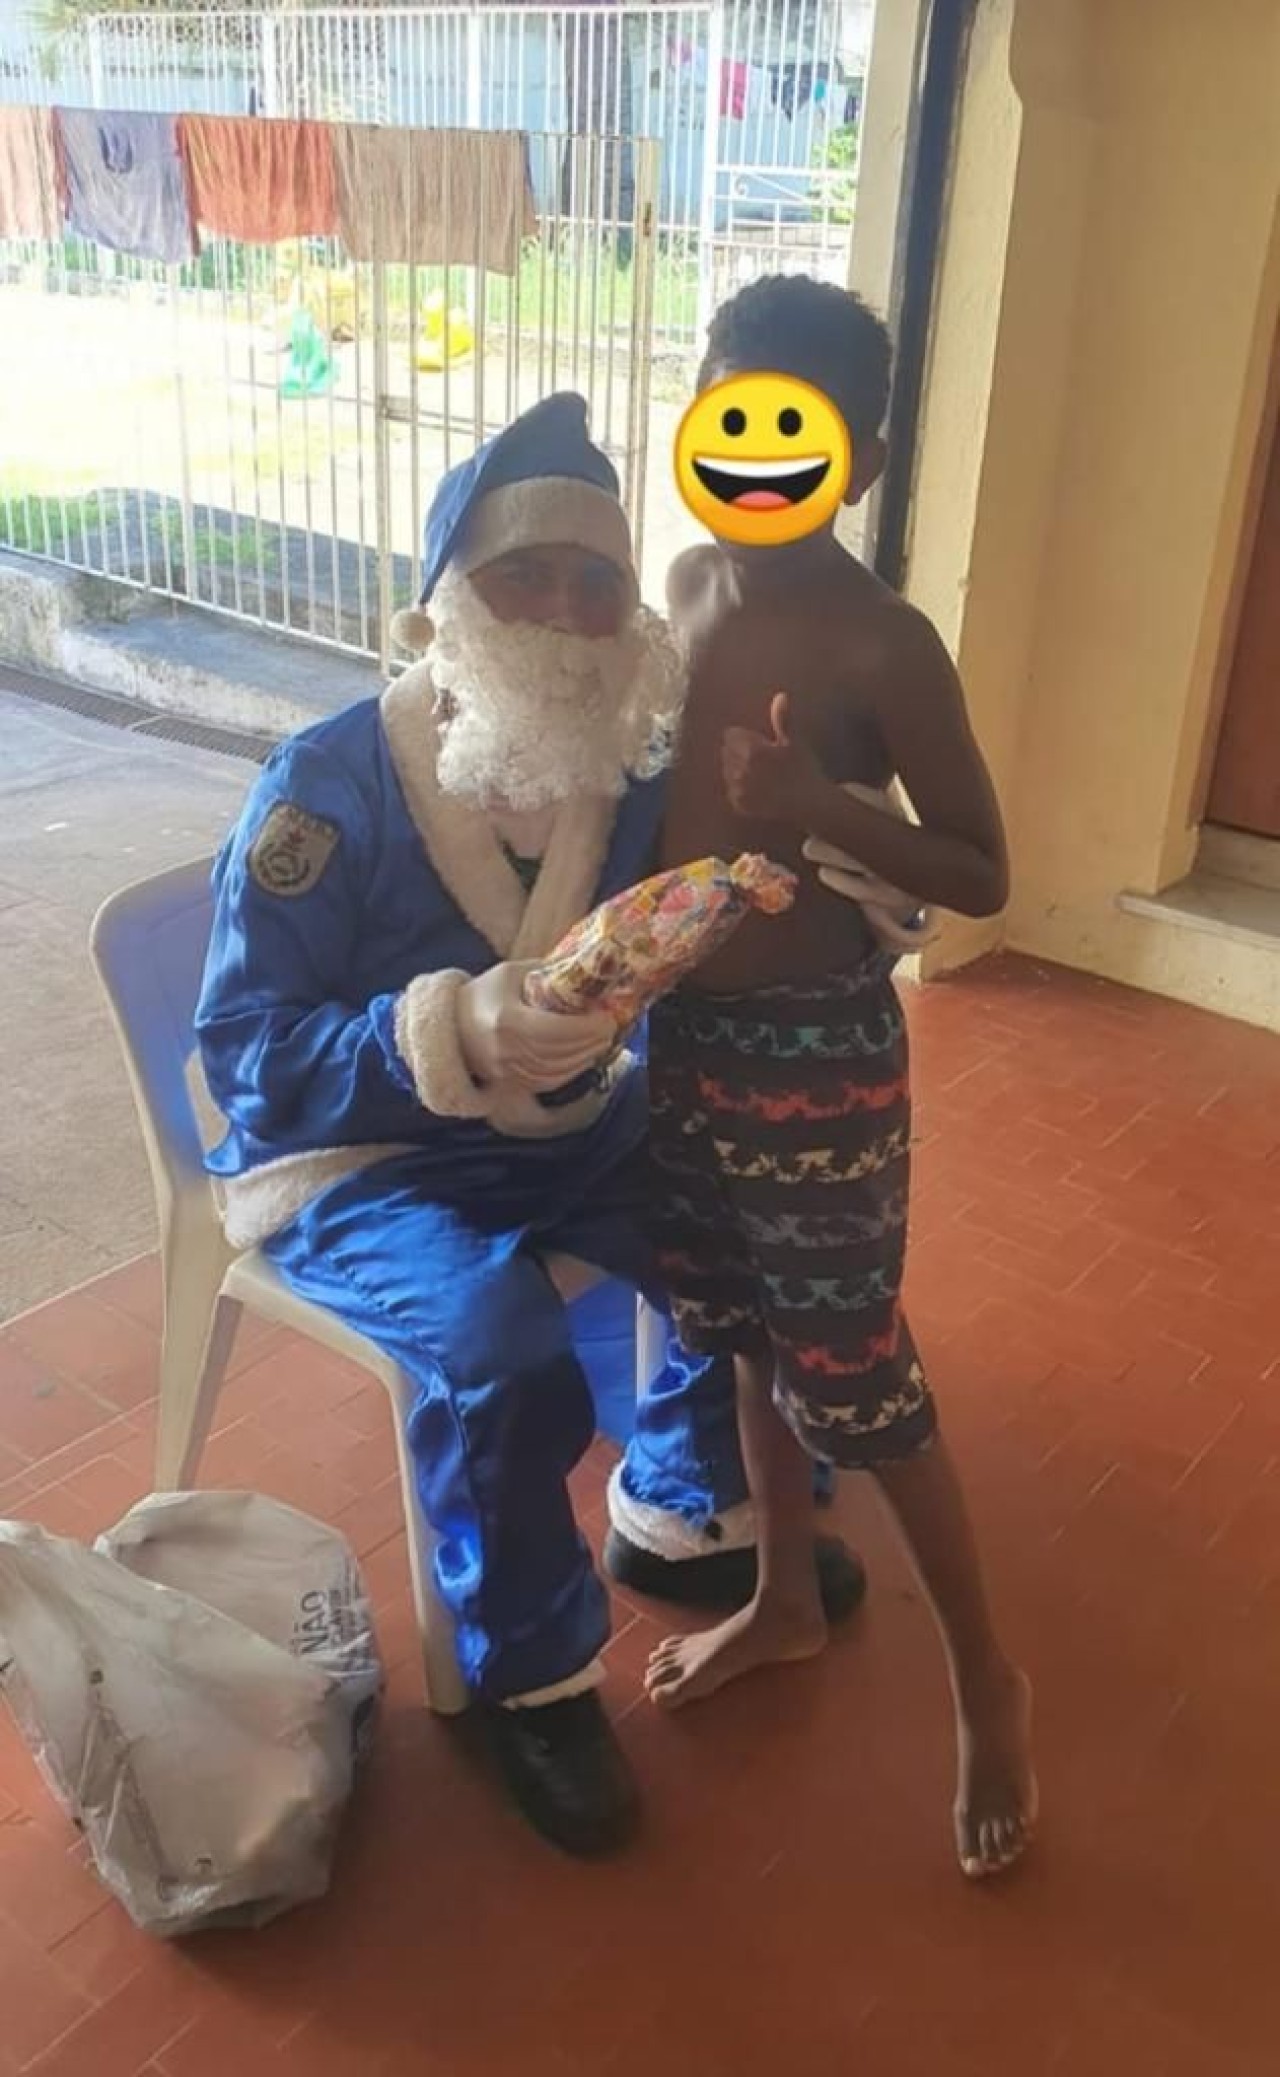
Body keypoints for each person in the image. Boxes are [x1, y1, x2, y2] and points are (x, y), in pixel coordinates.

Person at [195, 392, 864, 1860]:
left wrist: (847, 881)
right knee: (498, 1351)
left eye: (596, 583)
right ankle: (535, 1679)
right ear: (449, 599)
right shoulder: (325, 788)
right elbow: (244, 1055)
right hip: (361, 1156)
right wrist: (444, 1028)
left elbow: (698, 915)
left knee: (743, 1224)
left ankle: (687, 1509)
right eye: (525, 577)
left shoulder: (627, 774)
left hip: (564, 1124)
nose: (565, 615)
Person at [644, 277, 1038, 1881]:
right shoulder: (684, 584)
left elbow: (984, 869)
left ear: (857, 462)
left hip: (817, 1053)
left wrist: (820, 801)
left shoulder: (886, 641)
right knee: (744, 1333)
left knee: (859, 1380)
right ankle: (786, 1596)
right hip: (687, 1037)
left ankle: (986, 1680)